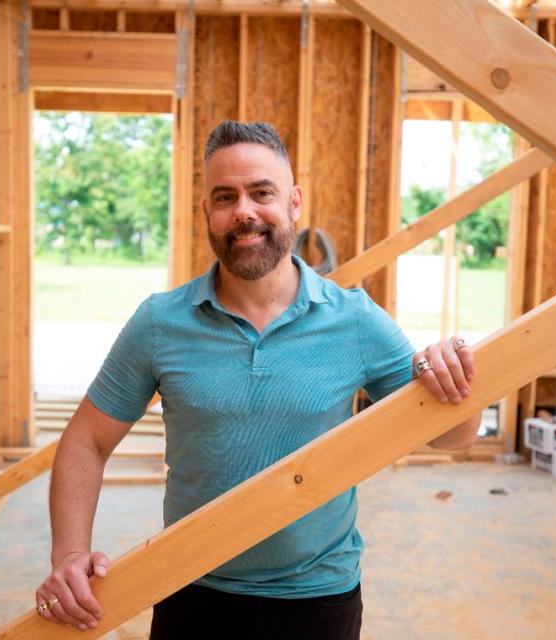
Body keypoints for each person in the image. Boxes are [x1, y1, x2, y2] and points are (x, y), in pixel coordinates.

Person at [35, 121, 480, 639]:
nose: (244, 210)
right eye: (225, 197)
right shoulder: (161, 323)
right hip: (188, 588)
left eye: (261, 192)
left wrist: (454, 379)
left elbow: (453, 437)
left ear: (293, 203)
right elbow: (86, 440)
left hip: (319, 599)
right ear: (207, 214)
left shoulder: (355, 321)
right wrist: (69, 553)